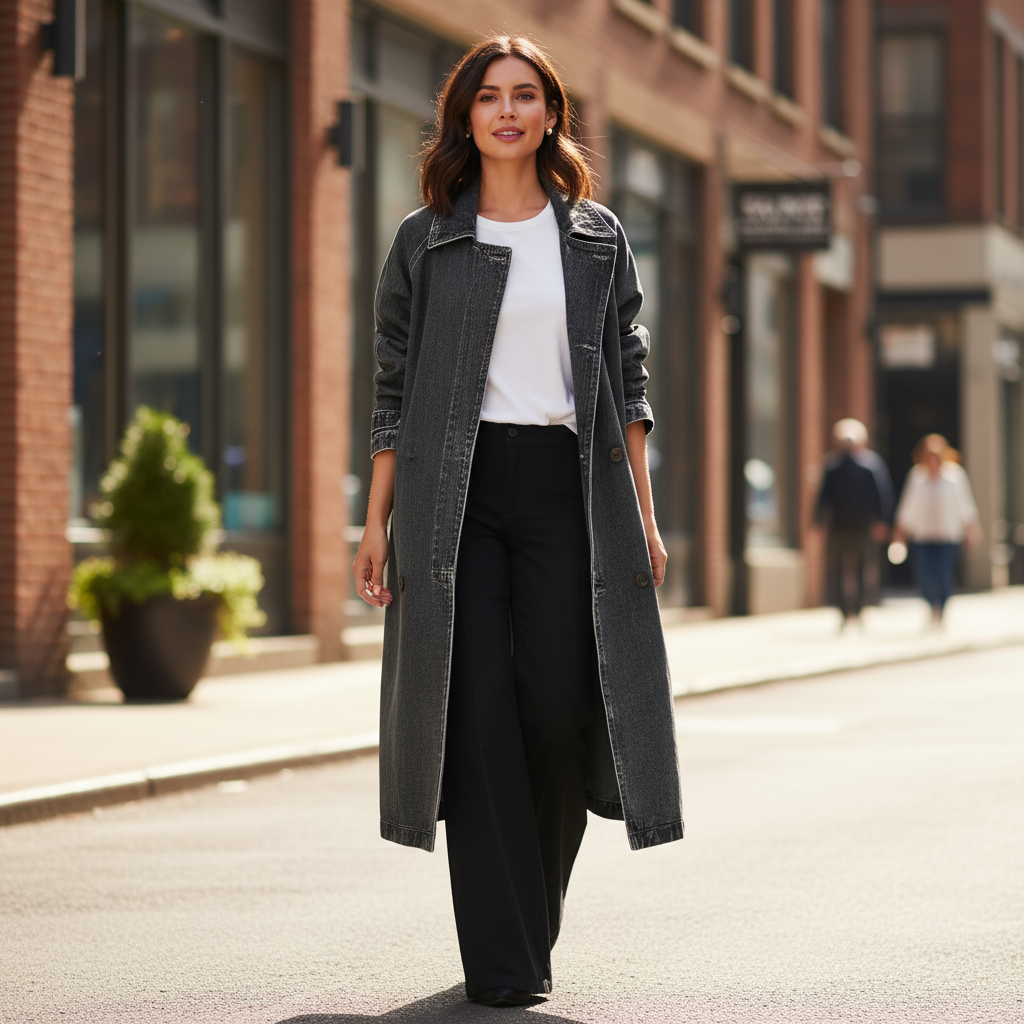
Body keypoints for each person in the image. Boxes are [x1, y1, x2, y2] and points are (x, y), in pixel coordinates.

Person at [351, 35, 683, 1009]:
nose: (505, 111)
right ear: (464, 117)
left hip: (565, 491)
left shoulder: (594, 237)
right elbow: (391, 388)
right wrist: (374, 523)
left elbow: (627, 384)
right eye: (487, 96)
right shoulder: (425, 238)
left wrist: (646, 521)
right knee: (476, 717)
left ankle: (531, 914)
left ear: (549, 114)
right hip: (452, 493)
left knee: (556, 708)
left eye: (524, 95)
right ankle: (503, 958)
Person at [893, 434, 981, 626]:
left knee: (943, 574)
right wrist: (900, 533)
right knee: (924, 574)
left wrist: (971, 530)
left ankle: (940, 609)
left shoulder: (955, 476)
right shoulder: (916, 477)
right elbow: (908, 506)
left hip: (947, 535)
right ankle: (930, 606)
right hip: (923, 535)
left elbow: (965, 504)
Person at [814, 418, 895, 628]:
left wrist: (882, 522)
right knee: (838, 570)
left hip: (862, 525)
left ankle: (858, 610)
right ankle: (843, 611)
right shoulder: (832, 465)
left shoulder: (870, 465)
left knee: (862, 568)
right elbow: (824, 496)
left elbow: (881, 495)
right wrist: (818, 522)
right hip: (839, 525)